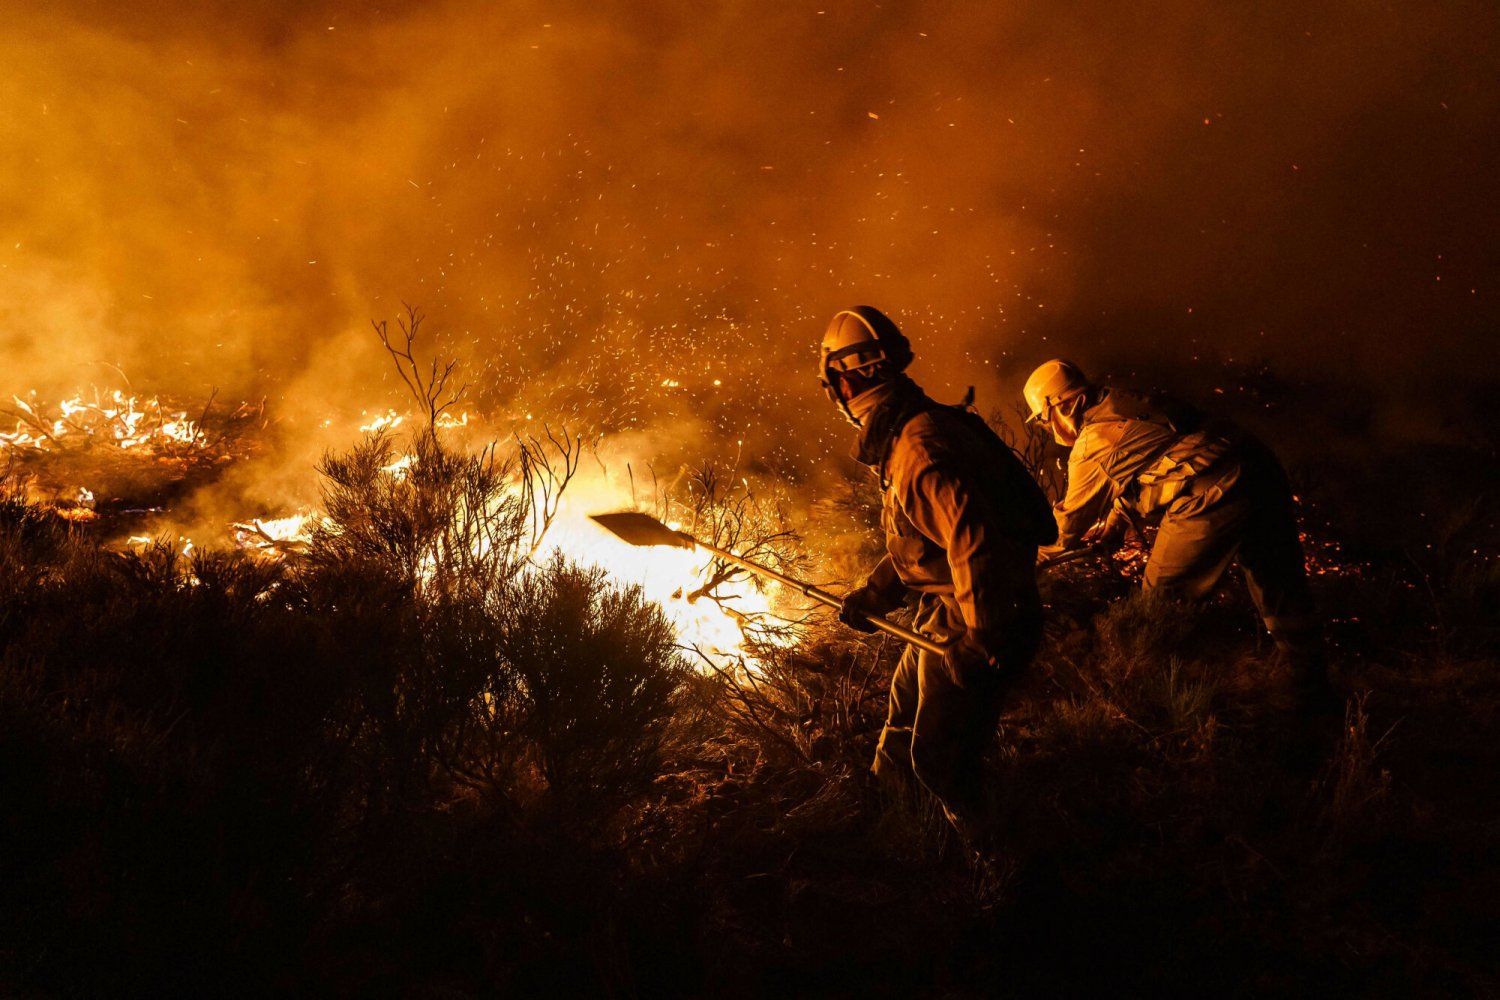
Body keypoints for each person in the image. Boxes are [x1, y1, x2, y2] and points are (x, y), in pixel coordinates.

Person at [822, 306, 1055, 838]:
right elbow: (924, 536)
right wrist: (878, 591)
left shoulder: (917, 449)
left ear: (845, 379)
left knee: (940, 757)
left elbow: (972, 540)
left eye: (833, 381)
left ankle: (996, 857)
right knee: (902, 717)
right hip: (946, 607)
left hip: (979, 615)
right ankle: (888, 825)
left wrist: (979, 638)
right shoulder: (911, 430)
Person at [1022, 358, 1334, 711]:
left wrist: (1020, 557)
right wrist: (1112, 524)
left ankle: (1159, 703)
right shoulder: (1126, 401)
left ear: (1062, 405)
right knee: (1278, 583)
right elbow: (1151, 458)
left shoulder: (1094, 439)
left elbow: (1065, 529)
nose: (1047, 428)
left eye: (1044, 419)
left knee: (1159, 602)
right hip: (1258, 470)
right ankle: (1311, 689)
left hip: (1215, 492)